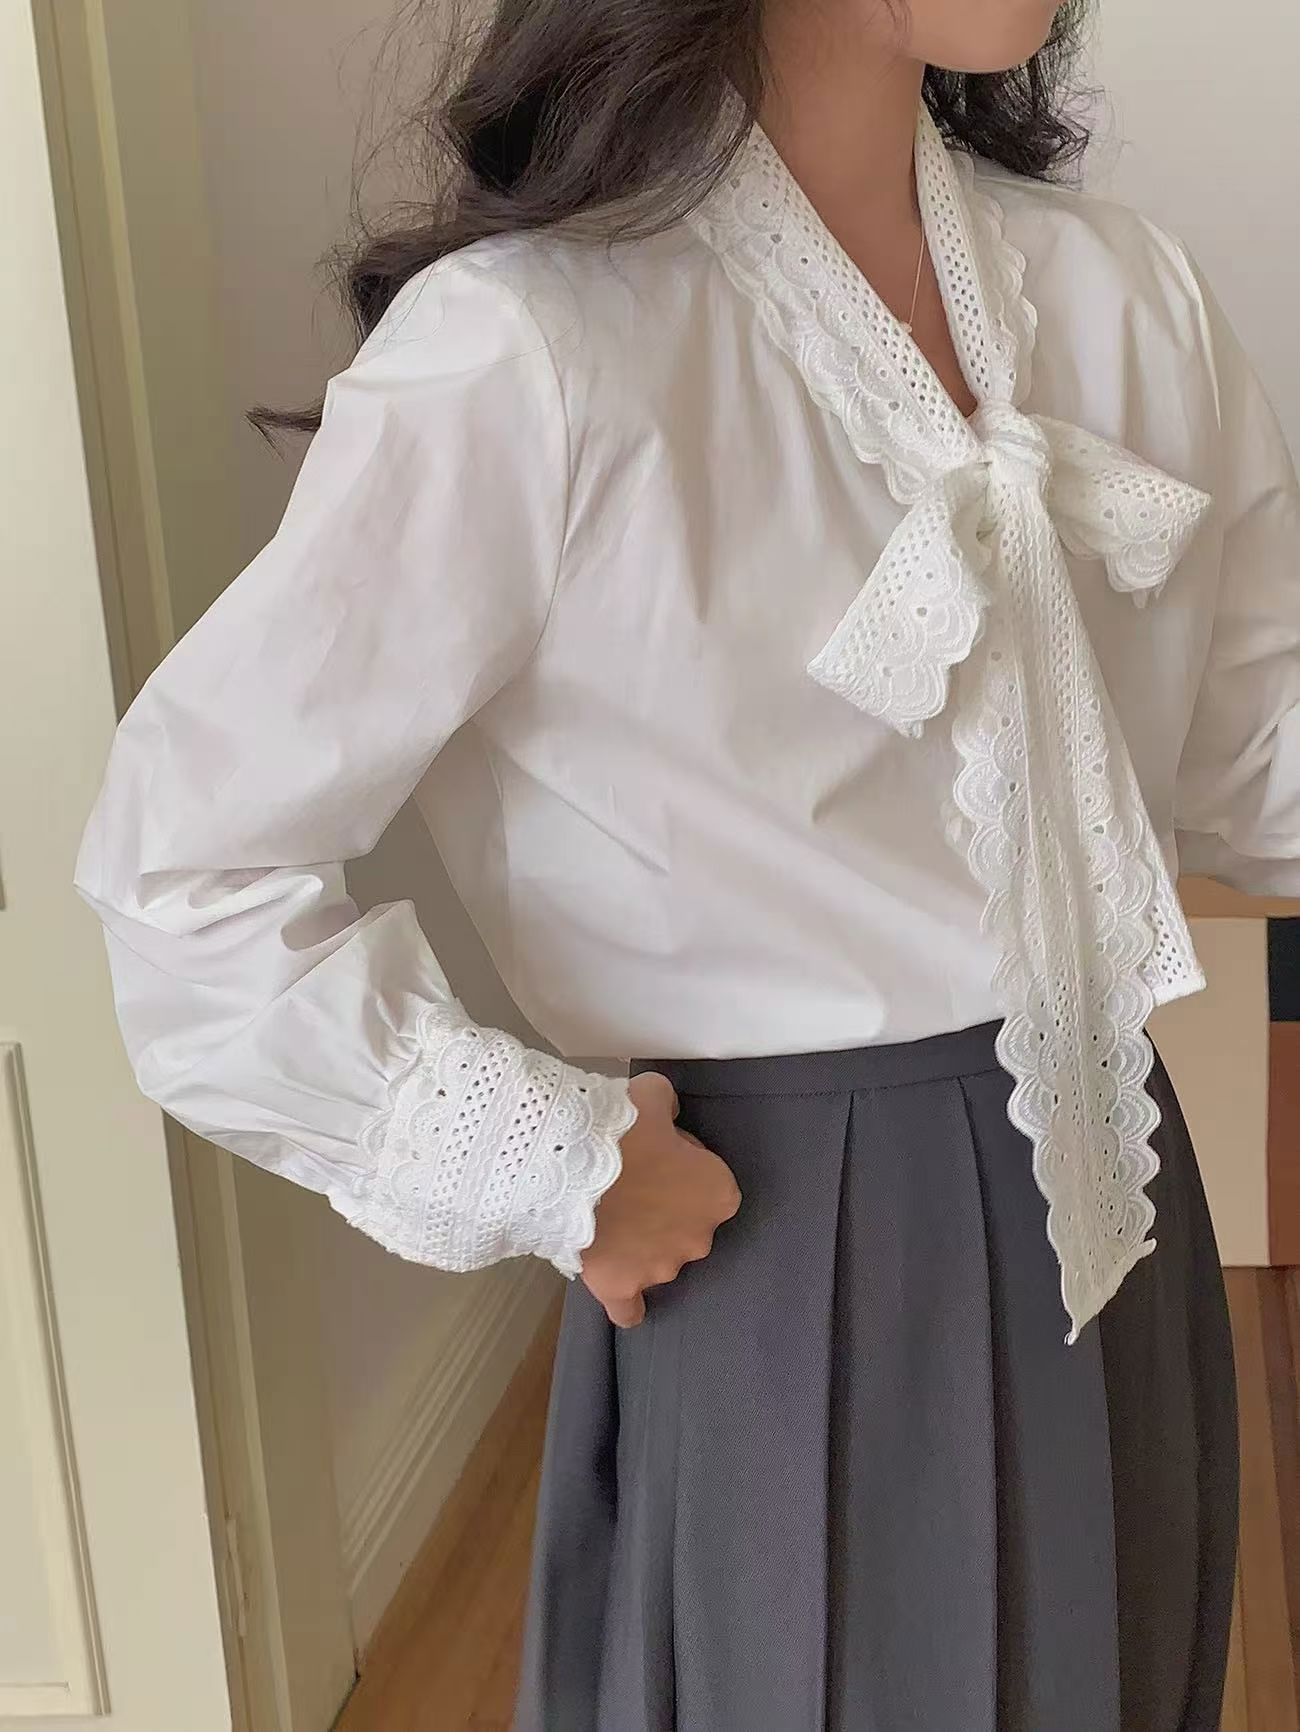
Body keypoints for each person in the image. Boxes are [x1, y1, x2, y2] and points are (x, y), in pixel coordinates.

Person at [75, 0, 1300, 1723]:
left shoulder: (1125, 297)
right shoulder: (534, 347)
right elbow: (182, 869)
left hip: (1123, 1212)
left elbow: (1259, 756)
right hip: (782, 1258)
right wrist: (549, 1161)